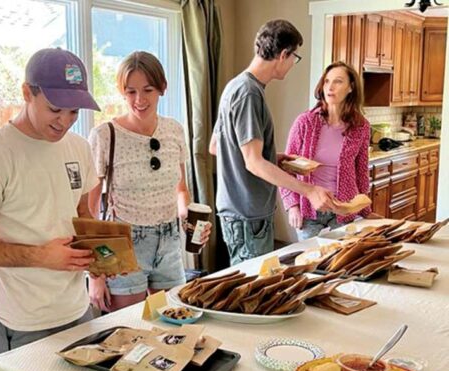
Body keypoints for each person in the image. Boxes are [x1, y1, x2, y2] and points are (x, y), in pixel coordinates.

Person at [0, 48, 101, 355]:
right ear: (26, 93)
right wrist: (41, 257)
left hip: (78, 311)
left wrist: (104, 255)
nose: (65, 121)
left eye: (74, 112)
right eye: (55, 109)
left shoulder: (79, 148)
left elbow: (82, 212)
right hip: (22, 323)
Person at [87, 51, 210, 313]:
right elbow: (89, 209)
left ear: (162, 88)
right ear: (122, 92)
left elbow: (181, 190)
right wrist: (95, 275)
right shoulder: (104, 136)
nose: (139, 100)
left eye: (148, 89)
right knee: (128, 329)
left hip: (169, 239)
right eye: (130, 91)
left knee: (172, 322)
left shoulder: (174, 130)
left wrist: (191, 222)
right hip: (123, 242)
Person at [209, 19, 336, 266]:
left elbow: (217, 147)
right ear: (283, 54)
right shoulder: (249, 93)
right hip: (248, 214)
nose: (292, 65)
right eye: (294, 58)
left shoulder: (234, 87)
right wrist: (309, 191)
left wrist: (272, 157)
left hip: (238, 211)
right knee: (253, 290)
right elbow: (253, 163)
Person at [280, 61, 378, 240]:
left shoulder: (361, 126)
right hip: (309, 210)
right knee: (312, 261)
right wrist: (292, 205)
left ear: (351, 88)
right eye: (326, 81)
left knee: (341, 262)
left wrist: (364, 210)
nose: (330, 87)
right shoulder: (305, 122)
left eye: (338, 81)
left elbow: (361, 172)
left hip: (343, 209)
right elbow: (286, 167)